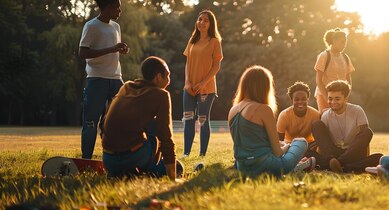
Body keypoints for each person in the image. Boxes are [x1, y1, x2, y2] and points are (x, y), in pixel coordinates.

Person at [228, 66, 314, 177]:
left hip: (242, 167)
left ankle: (297, 166)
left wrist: (281, 144)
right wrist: (288, 146)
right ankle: (294, 167)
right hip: (266, 165)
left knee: (282, 144)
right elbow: (278, 152)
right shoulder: (263, 109)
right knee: (301, 141)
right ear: (264, 87)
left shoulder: (233, 110)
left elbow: (250, 144)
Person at [101, 56, 178, 180]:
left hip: (108, 160)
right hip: (133, 159)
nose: (169, 81)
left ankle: (124, 172)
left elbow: (105, 121)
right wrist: (173, 177)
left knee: (149, 124)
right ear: (158, 77)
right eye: (167, 75)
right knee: (177, 166)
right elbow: (165, 136)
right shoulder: (162, 95)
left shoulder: (125, 87)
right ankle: (149, 168)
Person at [78, 0, 128, 159]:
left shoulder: (116, 27)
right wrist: (112, 49)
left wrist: (120, 49)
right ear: (107, 7)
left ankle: (114, 156)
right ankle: (86, 159)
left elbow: (113, 50)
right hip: (97, 79)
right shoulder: (91, 26)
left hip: (115, 78)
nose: (120, 10)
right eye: (117, 7)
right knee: (90, 122)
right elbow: (83, 53)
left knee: (117, 120)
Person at [311, 80, 382, 173]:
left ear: (346, 99)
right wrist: (324, 156)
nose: (333, 102)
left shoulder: (357, 111)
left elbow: (364, 138)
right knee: (316, 125)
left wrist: (365, 157)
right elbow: (324, 143)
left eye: (337, 99)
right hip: (333, 153)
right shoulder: (326, 115)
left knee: (378, 155)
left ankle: (338, 163)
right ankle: (345, 167)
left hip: (353, 153)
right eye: (330, 98)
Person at [182, 10, 224, 158]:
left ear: (211, 24)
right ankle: (186, 153)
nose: (202, 22)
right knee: (188, 118)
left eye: (206, 20)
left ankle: (202, 155)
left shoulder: (215, 42)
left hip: (206, 88)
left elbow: (216, 66)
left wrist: (202, 83)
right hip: (189, 88)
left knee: (203, 120)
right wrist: (187, 82)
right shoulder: (192, 40)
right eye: (200, 19)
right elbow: (187, 63)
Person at [313, 28, 356, 111]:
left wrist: (346, 96)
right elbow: (319, 81)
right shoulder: (324, 56)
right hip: (324, 96)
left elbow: (348, 79)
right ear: (334, 41)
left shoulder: (345, 57)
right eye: (342, 42)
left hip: (340, 98)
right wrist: (329, 100)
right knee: (326, 121)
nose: (344, 45)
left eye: (345, 42)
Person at [277, 82, 321, 158]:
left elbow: (319, 137)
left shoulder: (315, 114)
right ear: (291, 100)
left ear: (308, 99)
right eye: (297, 99)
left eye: (304, 99)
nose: (300, 102)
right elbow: (279, 141)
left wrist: (316, 144)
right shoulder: (284, 115)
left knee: (314, 155)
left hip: (309, 147)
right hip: (290, 146)